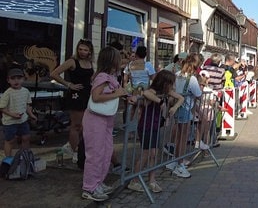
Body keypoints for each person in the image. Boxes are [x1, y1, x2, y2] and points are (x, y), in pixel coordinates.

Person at [81, 46, 128, 202]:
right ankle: (89, 187)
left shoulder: (110, 76)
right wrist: (118, 93)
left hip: (106, 119)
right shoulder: (102, 76)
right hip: (96, 120)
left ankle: (98, 182)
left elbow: (118, 92)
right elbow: (96, 97)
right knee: (95, 154)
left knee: (106, 152)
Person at [128, 70, 183, 193]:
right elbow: (146, 92)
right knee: (146, 154)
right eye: (171, 83)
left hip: (155, 126)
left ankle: (152, 180)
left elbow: (180, 98)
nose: (172, 86)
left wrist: (174, 107)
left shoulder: (165, 92)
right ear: (164, 83)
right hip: (146, 126)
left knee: (154, 153)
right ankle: (134, 180)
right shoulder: (153, 91)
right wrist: (161, 101)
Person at [50, 39, 94, 163]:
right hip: (76, 95)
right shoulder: (72, 61)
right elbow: (54, 74)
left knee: (85, 125)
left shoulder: (90, 63)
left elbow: (91, 78)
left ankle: (78, 148)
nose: (82, 52)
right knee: (76, 125)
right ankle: (75, 151)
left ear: (90, 51)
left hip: (87, 95)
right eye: (80, 49)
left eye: (85, 50)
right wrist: (68, 84)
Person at [165, 53, 202, 178]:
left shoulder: (177, 75)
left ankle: (175, 160)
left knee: (178, 137)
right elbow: (198, 93)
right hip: (185, 108)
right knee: (183, 138)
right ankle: (179, 164)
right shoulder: (191, 79)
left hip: (176, 107)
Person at [0, 68, 37, 158]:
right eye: (13, 78)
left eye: (19, 78)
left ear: (23, 79)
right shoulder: (7, 93)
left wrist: (31, 115)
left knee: (26, 137)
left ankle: (24, 156)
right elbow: (2, 108)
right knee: (10, 140)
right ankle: (8, 159)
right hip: (10, 122)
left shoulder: (26, 91)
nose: (16, 81)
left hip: (23, 120)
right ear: (8, 80)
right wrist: (12, 115)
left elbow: (27, 106)